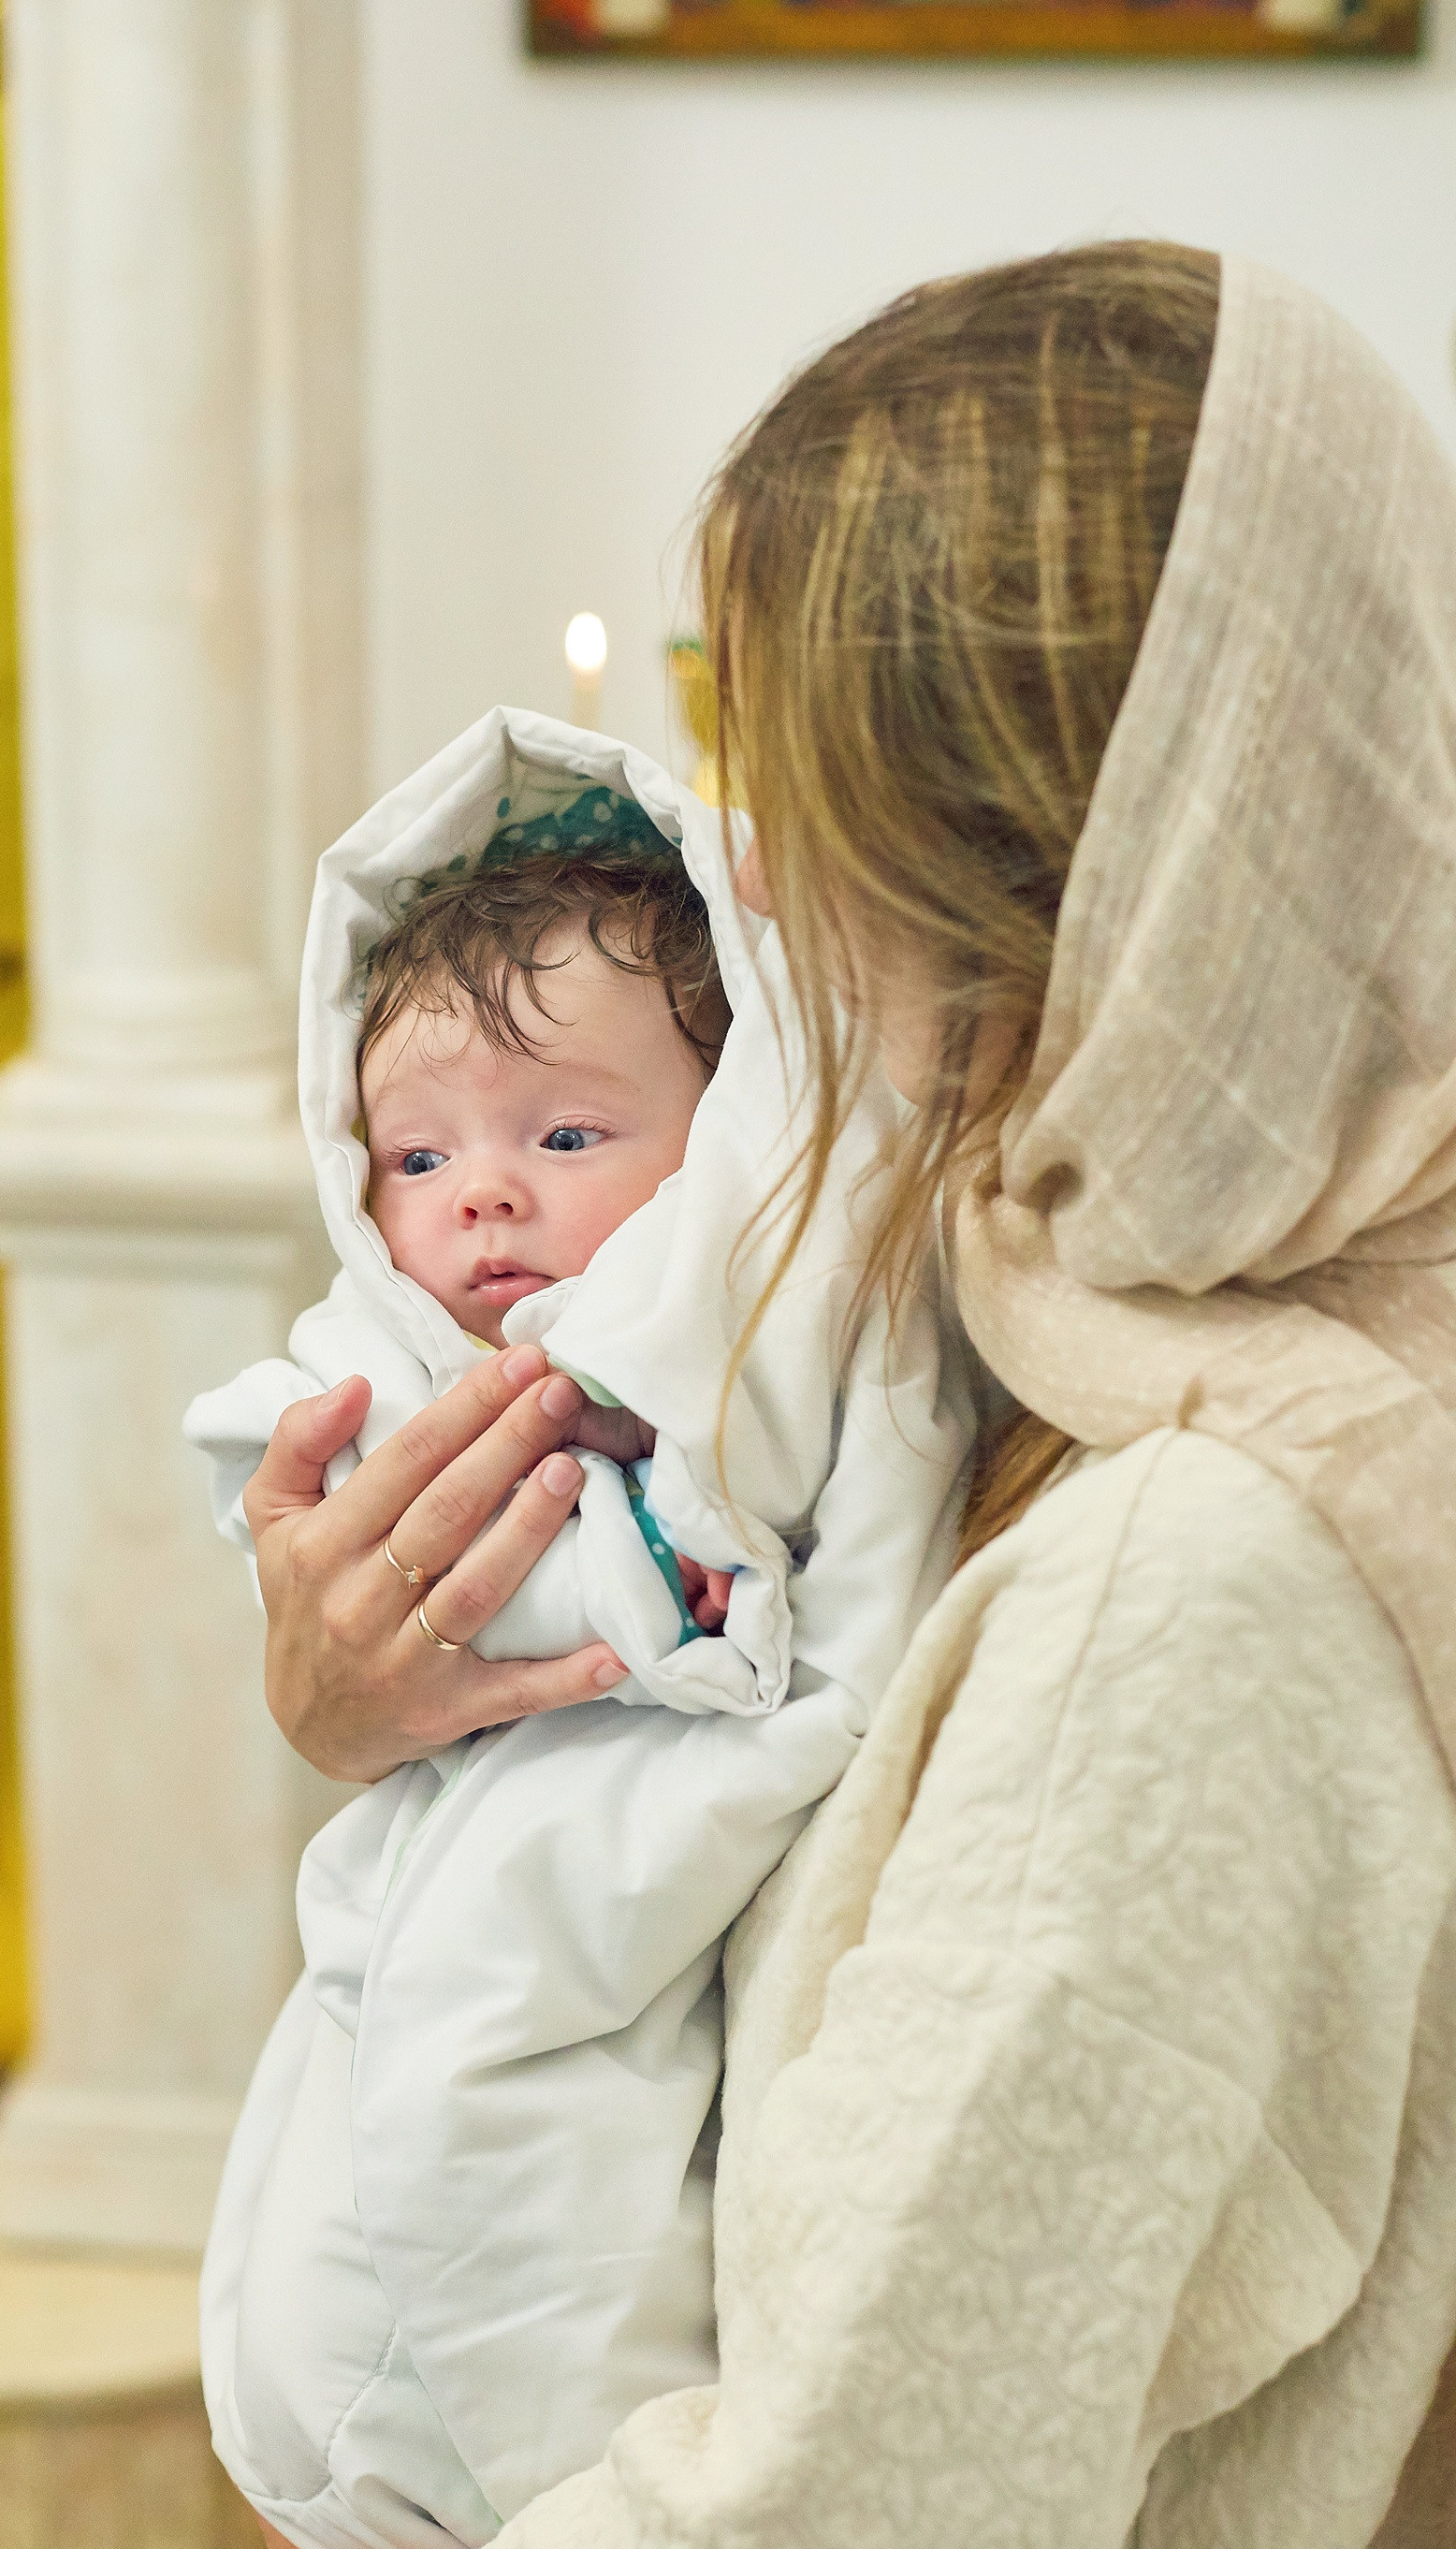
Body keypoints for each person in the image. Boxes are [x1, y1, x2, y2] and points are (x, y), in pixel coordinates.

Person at [235, 242, 1456, 2545]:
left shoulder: (1190, 1588)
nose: (759, 889)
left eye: (798, 793)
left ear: (1038, 870)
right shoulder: (1106, 1274)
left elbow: (831, 2499)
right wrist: (390, 1692)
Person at [187, 706, 970, 2549]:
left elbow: (798, 1534)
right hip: (437, 1851)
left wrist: (663, 1526)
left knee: (525, 2139)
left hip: (626, 1846)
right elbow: (279, 1482)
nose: (482, 1195)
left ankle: (552, 2478)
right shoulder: (383, 1355)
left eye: (563, 1132)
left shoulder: (769, 1310)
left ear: (733, 1135)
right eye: (414, 1158)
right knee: (357, 2113)